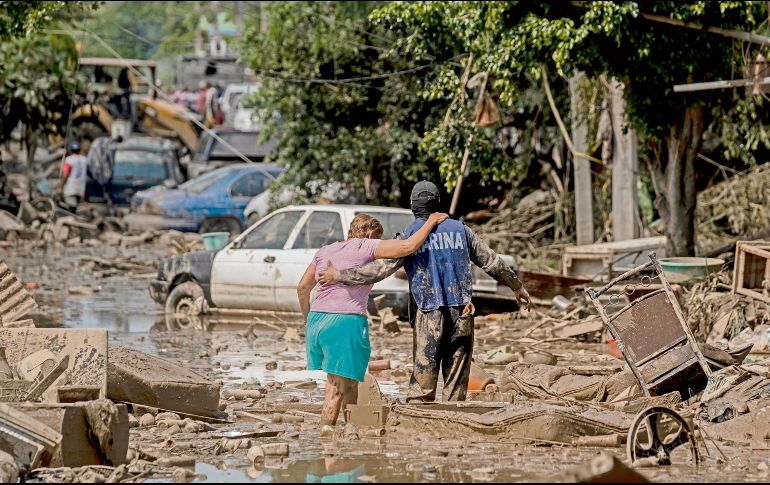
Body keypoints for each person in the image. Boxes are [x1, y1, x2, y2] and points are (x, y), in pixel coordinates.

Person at [319, 181, 531, 403]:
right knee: (456, 383)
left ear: (413, 206)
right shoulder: (461, 230)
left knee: (422, 385)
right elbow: (492, 262)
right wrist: (517, 287)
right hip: (462, 312)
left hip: (428, 312)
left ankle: (420, 420)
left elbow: (380, 269)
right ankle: (455, 419)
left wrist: (341, 275)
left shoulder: (411, 235)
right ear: (437, 203)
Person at [296, 212, 448, 428]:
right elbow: (408, 247)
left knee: (350, 381)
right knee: (336, 388)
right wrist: (431, 221)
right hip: (345, 321)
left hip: (317, 320)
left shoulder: (325, 250)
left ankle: (351, 431)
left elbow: (303, 288)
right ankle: (326, 437)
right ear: (370, 233)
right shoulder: (366, 246)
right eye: (378, 237)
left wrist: (307, 319)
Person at [60, 141, 88, 210]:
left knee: (71, 209)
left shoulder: (69, 160)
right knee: (76, 209)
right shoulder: (84, 159)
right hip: (81, 189)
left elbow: (65, 174)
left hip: (70, 189)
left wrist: (61, 187)